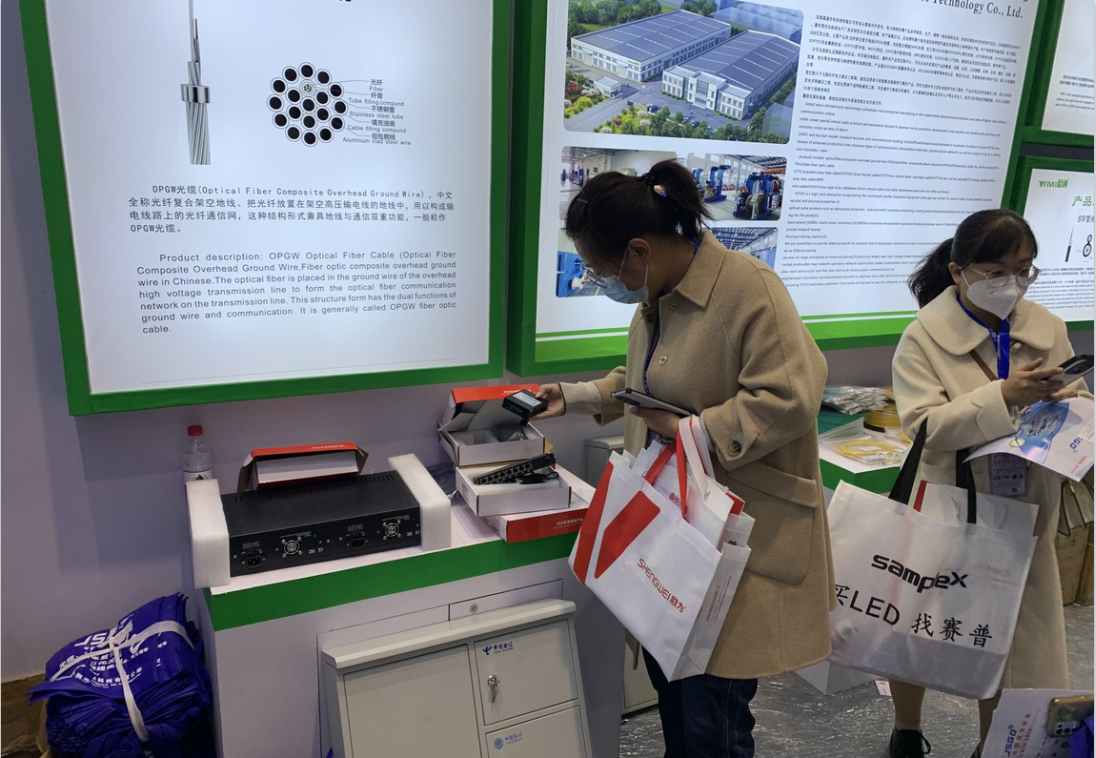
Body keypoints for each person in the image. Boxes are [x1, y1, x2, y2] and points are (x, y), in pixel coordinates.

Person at [534, 159, 835, 758]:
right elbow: (648, 380)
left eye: (601, 270)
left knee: (712, 722)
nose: (603, 282)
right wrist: (576, 397)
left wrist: (695, 430)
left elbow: (792, 396)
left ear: (639, 251)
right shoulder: (660, 294)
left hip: (733, 536)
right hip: (674, 531)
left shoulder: (748, 287)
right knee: (676, 697)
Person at [889, 208, 1088, 758]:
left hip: (1027, 500)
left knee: (1017, 641)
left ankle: (995, 745)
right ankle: (907, 729)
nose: (1012, 284)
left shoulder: (1046, 326)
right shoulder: (923, 336)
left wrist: (1068, 402)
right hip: (952, 501)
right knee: (923, 627)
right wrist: (1002, 396)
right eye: (996, 272)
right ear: (958, 272)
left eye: (1024, 270)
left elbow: (1075, 396)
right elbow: (925, 426)